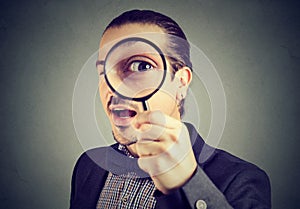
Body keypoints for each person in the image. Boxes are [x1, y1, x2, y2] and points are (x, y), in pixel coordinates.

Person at [70, 10, 271, 209]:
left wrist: (189, 183)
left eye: (141, 66)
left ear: (181, 83)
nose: (115, 88)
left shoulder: (241, 180)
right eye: (104, 71)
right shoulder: (88, 166)